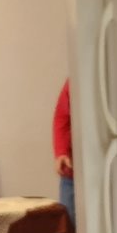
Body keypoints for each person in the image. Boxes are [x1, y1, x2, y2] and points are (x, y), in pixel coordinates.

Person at [52, 79, 73, 224]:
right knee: (69, 223)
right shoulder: (73, 83)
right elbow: (62, 118)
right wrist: (61, 152)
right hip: (72, 172)